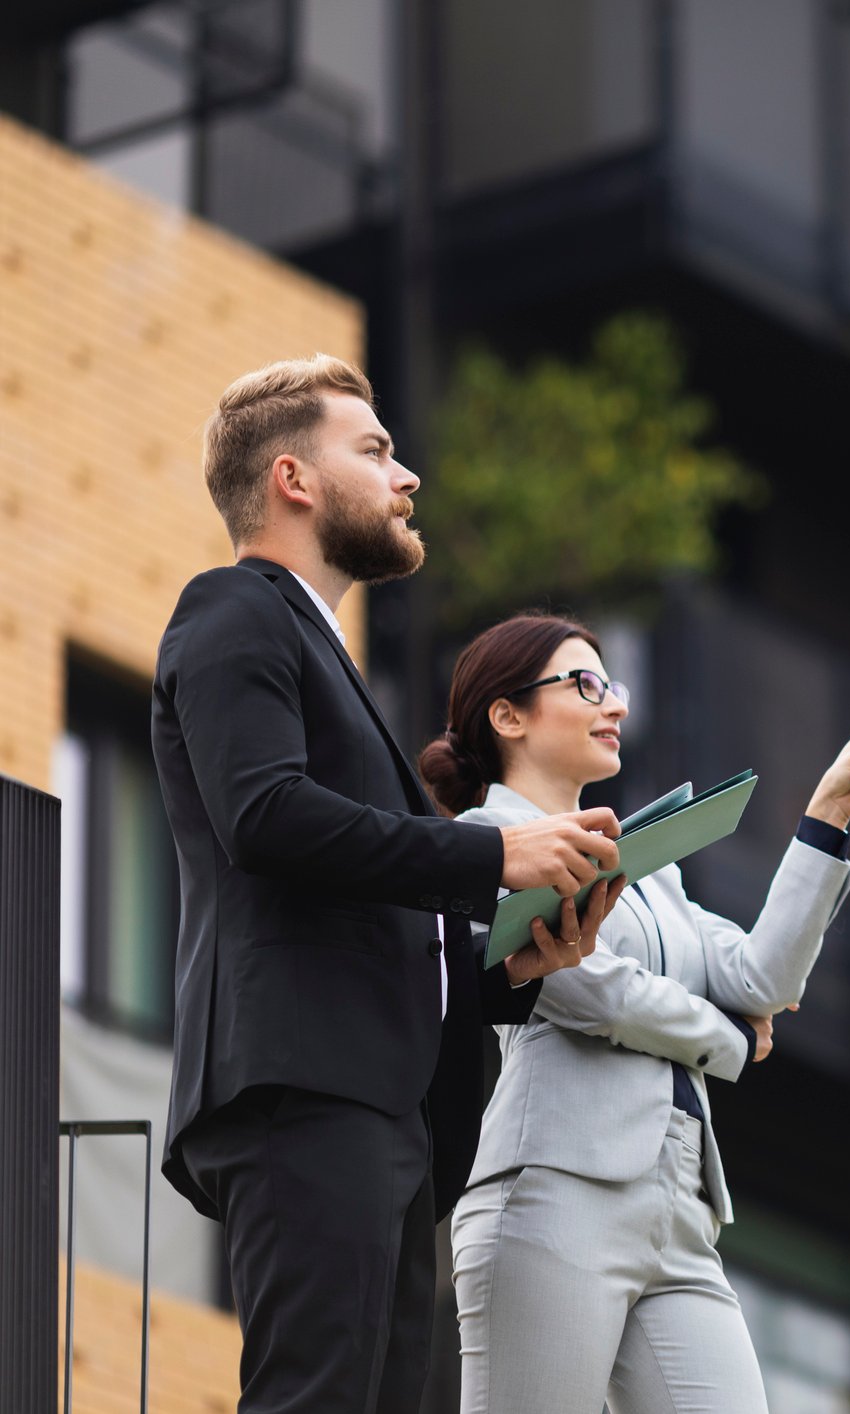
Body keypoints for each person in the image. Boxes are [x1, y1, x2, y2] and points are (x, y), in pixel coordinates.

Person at [152, 355, 630, 1413]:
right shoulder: (233, 609)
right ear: (292, 479)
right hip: (306, 1083)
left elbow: (388, 908)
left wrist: (521, 966)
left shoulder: (326, 657)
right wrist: (491, 855)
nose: (406, 475)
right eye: (374, 450)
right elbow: (265, 815)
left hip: (382, 1107)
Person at [418, 613, 850, 1414]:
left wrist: (826, 821)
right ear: (507, 716)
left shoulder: (646, 867)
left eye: (611, 685)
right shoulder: (490, 838)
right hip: (555, 1190)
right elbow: (583, 987)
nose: (613, 703)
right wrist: (725, 1039)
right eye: (584, 684)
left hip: (679, 1208)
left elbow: (760, 979)